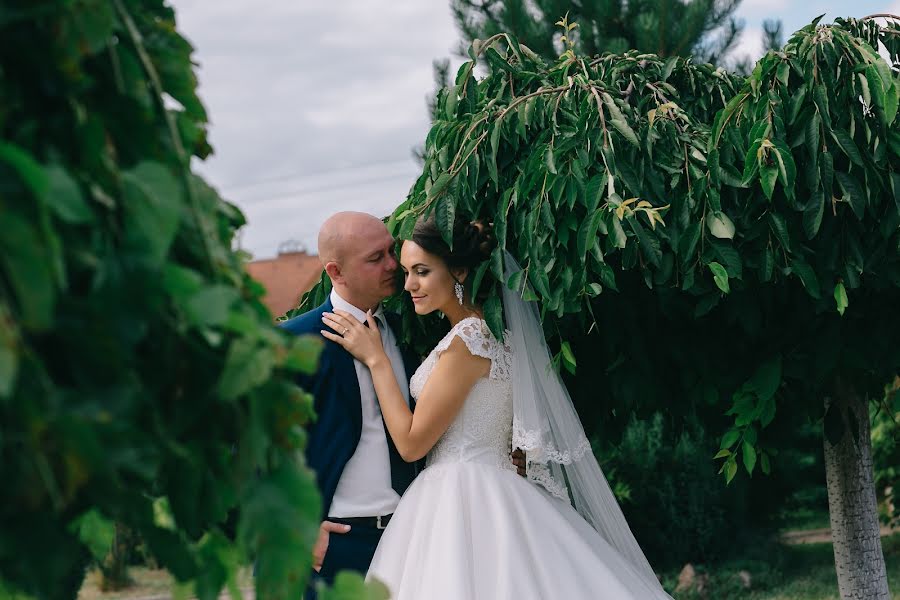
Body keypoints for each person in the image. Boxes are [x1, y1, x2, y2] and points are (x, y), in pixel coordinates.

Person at [321, 217, 674, 599]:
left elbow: (410, 443)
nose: (409, 285)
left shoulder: (468, 342)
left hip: (461, 496)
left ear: (458, 270)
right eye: (407, 272)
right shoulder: (490, 333)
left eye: (421, 272)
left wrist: (376, 361)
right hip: (495, 484)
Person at [280, 212, 524, 596]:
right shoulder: (291, 342)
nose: (395, 267)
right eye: (377, 258)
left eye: (393, 252)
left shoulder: (411, 329)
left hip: (419, 534)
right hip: (334, 546)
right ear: (336, 271)